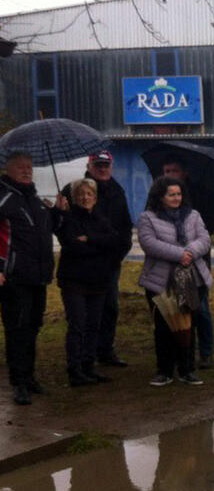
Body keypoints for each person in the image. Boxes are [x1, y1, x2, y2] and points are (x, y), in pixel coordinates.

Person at [137, 176, 213, 387]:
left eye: (178, 194)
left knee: (188, 325)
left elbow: (204, 239)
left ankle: (187, 369)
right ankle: (164, 370)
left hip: (191, 279)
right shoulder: (147, 218)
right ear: (161, 196)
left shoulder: (193, 215)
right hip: (160, 281)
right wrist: (180, 254)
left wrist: (190, 252)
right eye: (171, 194)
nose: (176, 198)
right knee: (164, 326)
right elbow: (149, 244)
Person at [61, 151, 133, 368]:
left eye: (106, 165)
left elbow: (122, 230)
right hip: (79, 270)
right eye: (98, 165)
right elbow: (66, 233)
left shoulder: (117, 191)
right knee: (80, 318)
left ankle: (104, 351)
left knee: (109, 309)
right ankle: (80, 359)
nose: (102, 169)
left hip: (108, 264)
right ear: (89, 165)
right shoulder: (72, 189)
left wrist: (116, 253)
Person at [0, 153, 60, 405]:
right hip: (14, 277)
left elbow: (46, 232)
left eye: (29, 167)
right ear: (8, 170)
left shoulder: (34, 199)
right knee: (17, 330)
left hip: (38, 276)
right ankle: (18, 383)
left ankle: (30, 376)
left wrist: (57, 212)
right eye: (20, 168)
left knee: (34, 327)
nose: (26, 171)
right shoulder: (4, 199)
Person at [55, 178, 119, 387]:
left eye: (89, 194)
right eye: (81, 194)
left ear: (95, 197)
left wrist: (90, 239)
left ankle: (89, 366)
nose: (85, 198)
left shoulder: (100, 218)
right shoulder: (68, 219)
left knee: (94, 325)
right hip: (74, 281)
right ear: (74, 198)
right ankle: (75, 369)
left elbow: (113, 241)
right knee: (78, 325)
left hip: (98, 281)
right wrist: (97, 244)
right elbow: (73, 246)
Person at [161, 158, 214, 368]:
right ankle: (184, 353)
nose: (169, 174)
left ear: (183, 173)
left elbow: (212, 227)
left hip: (198, 260)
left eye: (174, 169)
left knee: (201, 308)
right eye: (166, 170)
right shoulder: (158, 199)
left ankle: (206, 352)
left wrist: (192, 244)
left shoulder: (202, 195)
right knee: (178, 308)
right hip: (172, 262)